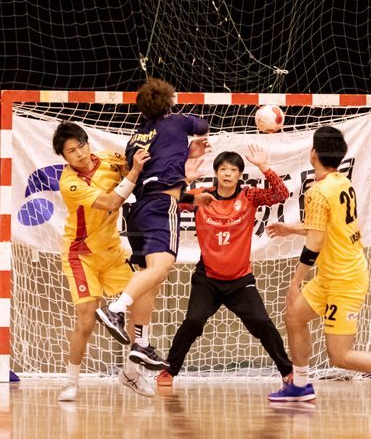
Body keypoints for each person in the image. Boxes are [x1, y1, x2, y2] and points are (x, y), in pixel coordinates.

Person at [266, 126, 371, 404]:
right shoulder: (341, 182)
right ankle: (300, 385)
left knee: (339, 355)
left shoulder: (318, 192)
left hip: (345, 279)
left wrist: (295, 282)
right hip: (330, 276)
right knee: (294, 317)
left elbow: (314, 243)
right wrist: (290, 229)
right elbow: (325, 227)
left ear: (313, 154)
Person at [95, 78, 213, 372]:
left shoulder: (134, 139)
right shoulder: (177, 122)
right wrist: (189, 139)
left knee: (149, 277)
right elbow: (203, 125)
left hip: (139, 209)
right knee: (160, 269)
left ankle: (141, 342)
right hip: (161, 207)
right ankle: (115, 309)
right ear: (169, 101)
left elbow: (156, 172)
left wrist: (186, 156)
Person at [155, 145, 293, 387]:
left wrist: (264, 167)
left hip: (240, 280)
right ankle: (169, 371)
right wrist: (185, 180)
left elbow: (281, 194)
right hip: (207, 279)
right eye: (223, 169)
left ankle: (288, 372)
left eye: (233, 170)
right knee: (193, 322)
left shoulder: (249, 196)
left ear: (240, 174)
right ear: (216, 173)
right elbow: (165, 199)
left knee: (262, 323)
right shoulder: (201, 196)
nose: (228, 174)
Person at [52, 121, 155, 400]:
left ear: (88, 143)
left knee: (143, 295)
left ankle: (132, 373)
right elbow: (111, 202)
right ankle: (71, 382)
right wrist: (133, 172)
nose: (80, 154)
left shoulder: (111, 160)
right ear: (64, 156)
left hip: (112, 252)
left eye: (81, 146)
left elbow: (140, 171)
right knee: (87, 319)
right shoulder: (70, 183)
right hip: (81, 255)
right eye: (71, 151)